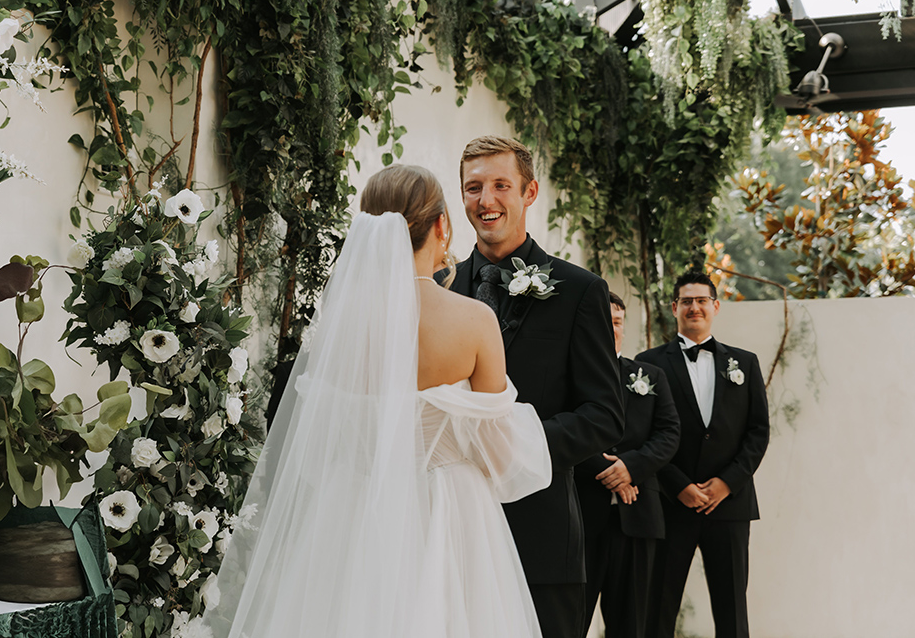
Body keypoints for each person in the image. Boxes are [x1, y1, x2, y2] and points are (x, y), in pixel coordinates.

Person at [206, 164, 552, 638]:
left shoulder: (338, 329)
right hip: (449, 514)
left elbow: (321, 445)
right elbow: (501, 453)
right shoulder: (474, 321)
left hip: (353, 512)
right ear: (440, 226)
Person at [443, 135, 624, 638]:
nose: (486, 200)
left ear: (529, 192)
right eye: (473, 187)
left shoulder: (580, 291)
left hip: (540, 540)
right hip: (450, 537)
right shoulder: (438, 288)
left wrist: (515, 444)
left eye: (501, 185)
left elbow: (606, 415)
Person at [636, 271, 769, 638]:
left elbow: (758, 433)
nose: (695, 307)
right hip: (670, 503)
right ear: (675, 308)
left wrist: (726, 484)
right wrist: (678, 485)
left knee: (732, 611)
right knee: (657, 607)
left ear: (715, 306)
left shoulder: (745, 363)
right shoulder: (647, 364)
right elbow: (642, 434)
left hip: (730, 505)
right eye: (687, 301)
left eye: (702, 300)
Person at [575, 291, 680, 638]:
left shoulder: (651, 376)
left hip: (638, 517)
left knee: (632, 624)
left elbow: (669, 433)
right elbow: (563, 428)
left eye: (617, 322)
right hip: (582, 517)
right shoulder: (571, 375)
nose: (611, 329)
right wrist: (610, 474)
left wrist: (630, 468)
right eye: (604, 322)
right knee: (571, 620)